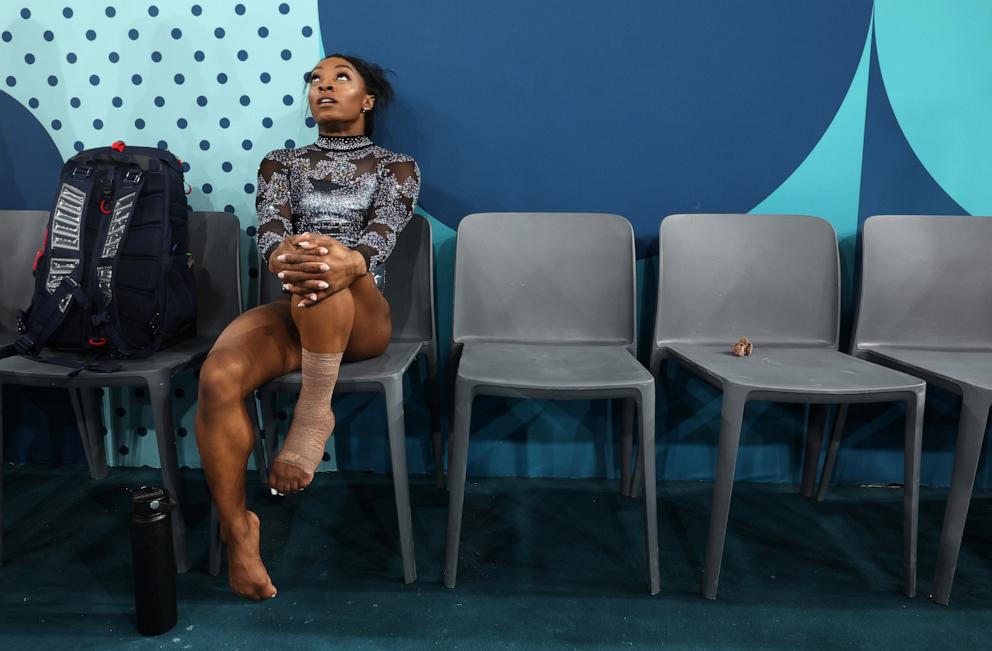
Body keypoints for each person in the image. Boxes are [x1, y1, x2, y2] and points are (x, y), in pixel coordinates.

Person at [194, 53, 421, 600]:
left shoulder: (398, 166)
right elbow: (269, 231)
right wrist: (283, 258)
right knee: (218, 378)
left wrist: (346, 260)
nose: (324, 86)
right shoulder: (280, 163)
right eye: (315, 80)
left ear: (366, 100)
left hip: (365, 314)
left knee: (324, 258)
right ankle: (238, 531)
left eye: (340, 78)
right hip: (298, 297)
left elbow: (385, 232)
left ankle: (314, 412)